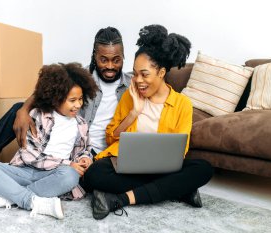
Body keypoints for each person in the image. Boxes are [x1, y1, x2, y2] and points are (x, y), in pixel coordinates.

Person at [0, 27, 131, 196]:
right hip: (67, 137)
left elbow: (158, 83)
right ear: (95, 55)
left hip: (94, 152)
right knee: (17, 110)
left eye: (116, 60)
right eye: (103, 59)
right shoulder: (80, 77)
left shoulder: (133, 84)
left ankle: (12, 191)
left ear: (123, 56)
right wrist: (22, 110)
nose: (110, 66)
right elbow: (45, 92)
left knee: (84, 178)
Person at [83, 24, 214, 220]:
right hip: (125, 164)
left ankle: (121, 199)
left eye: (144, 74)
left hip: (162, 167)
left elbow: (181, 150)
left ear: (161, 73)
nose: (137, 80)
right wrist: (134, 112)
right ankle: (176, 190)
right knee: (93, 175)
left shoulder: (182, 104)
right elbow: (111, 138)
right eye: (135, 73)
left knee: (203, 169)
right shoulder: (130, 95)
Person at [0, 63, 98, 219]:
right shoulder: (38, 116)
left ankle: (6, 198)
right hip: (24, 171)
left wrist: (84, 158)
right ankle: (31, 201)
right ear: (56, 98)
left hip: (53, 176)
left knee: (71, 176)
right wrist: (67, 163)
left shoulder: (81, 124)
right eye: (72, 100)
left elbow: (83, 150)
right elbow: (30, 156)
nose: (78, 104)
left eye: (80, 99)